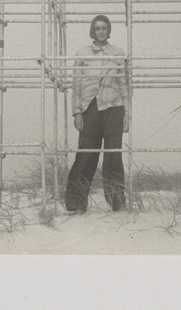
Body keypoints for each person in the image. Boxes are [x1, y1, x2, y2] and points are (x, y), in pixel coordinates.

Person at [65, 15, 131, 213]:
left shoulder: (118, 53)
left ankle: (118, 203)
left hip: (113, 108)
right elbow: (76, 86)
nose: (101, 31)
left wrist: (127, 114)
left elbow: (124, 86)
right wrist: (77, 113)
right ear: (92, 31)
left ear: (108, 30)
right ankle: (77, 204)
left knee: (113, 156)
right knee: (85, 155)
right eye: (97, 28)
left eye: (104, 28)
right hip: (89, 109)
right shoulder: (82, 54)